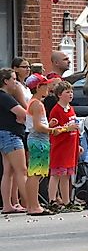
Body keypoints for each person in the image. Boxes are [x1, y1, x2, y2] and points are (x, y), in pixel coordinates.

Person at [24, 74, 61, 216]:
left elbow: (37, 123)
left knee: (34, 173)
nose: (48, 88)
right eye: (45, 85)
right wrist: (53, 130)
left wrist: (49, 125)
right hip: (39, 140)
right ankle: (34, 206)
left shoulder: (33, 102)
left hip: (35, 138)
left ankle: (31, 205)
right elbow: (38, 127)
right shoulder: (37, 104)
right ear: (38, 87)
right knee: (36, 173)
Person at [47, 80, 82, 212]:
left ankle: (67, 201)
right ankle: (52, 200)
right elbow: (54, 130)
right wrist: (67, 128)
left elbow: (75, 128)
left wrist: (78, 144)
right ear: (60, 95)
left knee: (66, 175)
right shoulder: (56, 110)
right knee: (56, 173)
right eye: (67, 92)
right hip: (60, 146)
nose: (71, 94)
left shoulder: (71, 109)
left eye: (71, 91)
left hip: (71, 145)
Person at [0, 68, 29, 214]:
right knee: (21, 170)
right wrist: (22, 116)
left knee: (9, 171)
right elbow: (23, 113)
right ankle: (31, 203)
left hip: (4, 134)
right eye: (13, 79)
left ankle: (8, 205)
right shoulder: (5, 96)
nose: (16, 82)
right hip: (11, 135)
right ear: (5, 81)